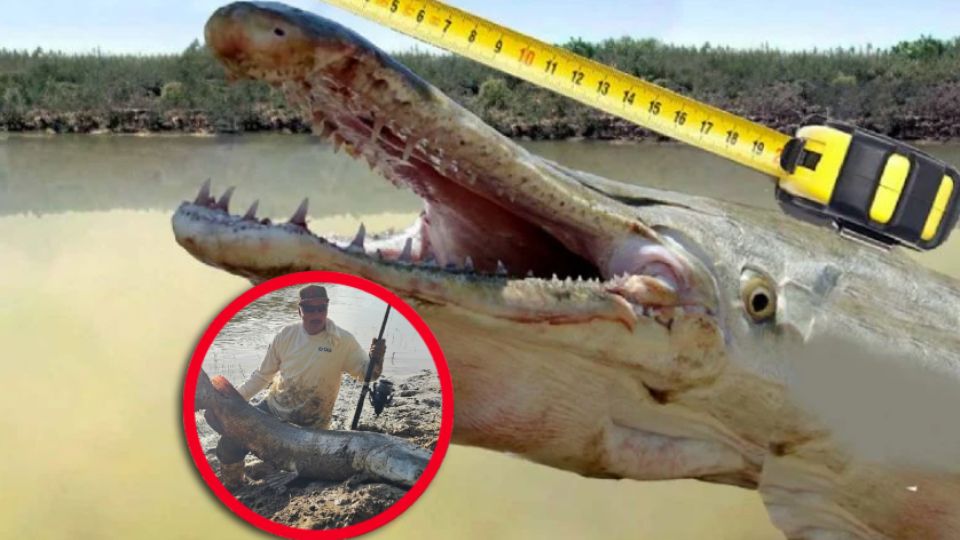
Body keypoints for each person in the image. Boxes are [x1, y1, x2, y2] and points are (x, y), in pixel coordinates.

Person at [216, 284, 386, 489]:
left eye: (321, 308)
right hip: (273, 411)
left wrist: (377, 359)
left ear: (327, 309)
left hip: (312, 427)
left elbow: (368, 375)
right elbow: (262, 376)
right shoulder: (286, 335)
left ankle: (273, 468)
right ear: (300, 310)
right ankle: (234, 485)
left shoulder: (342, 341)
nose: (316, 314)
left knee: (300, 477)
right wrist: (230, 400)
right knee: (228, 444)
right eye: (309, 309)